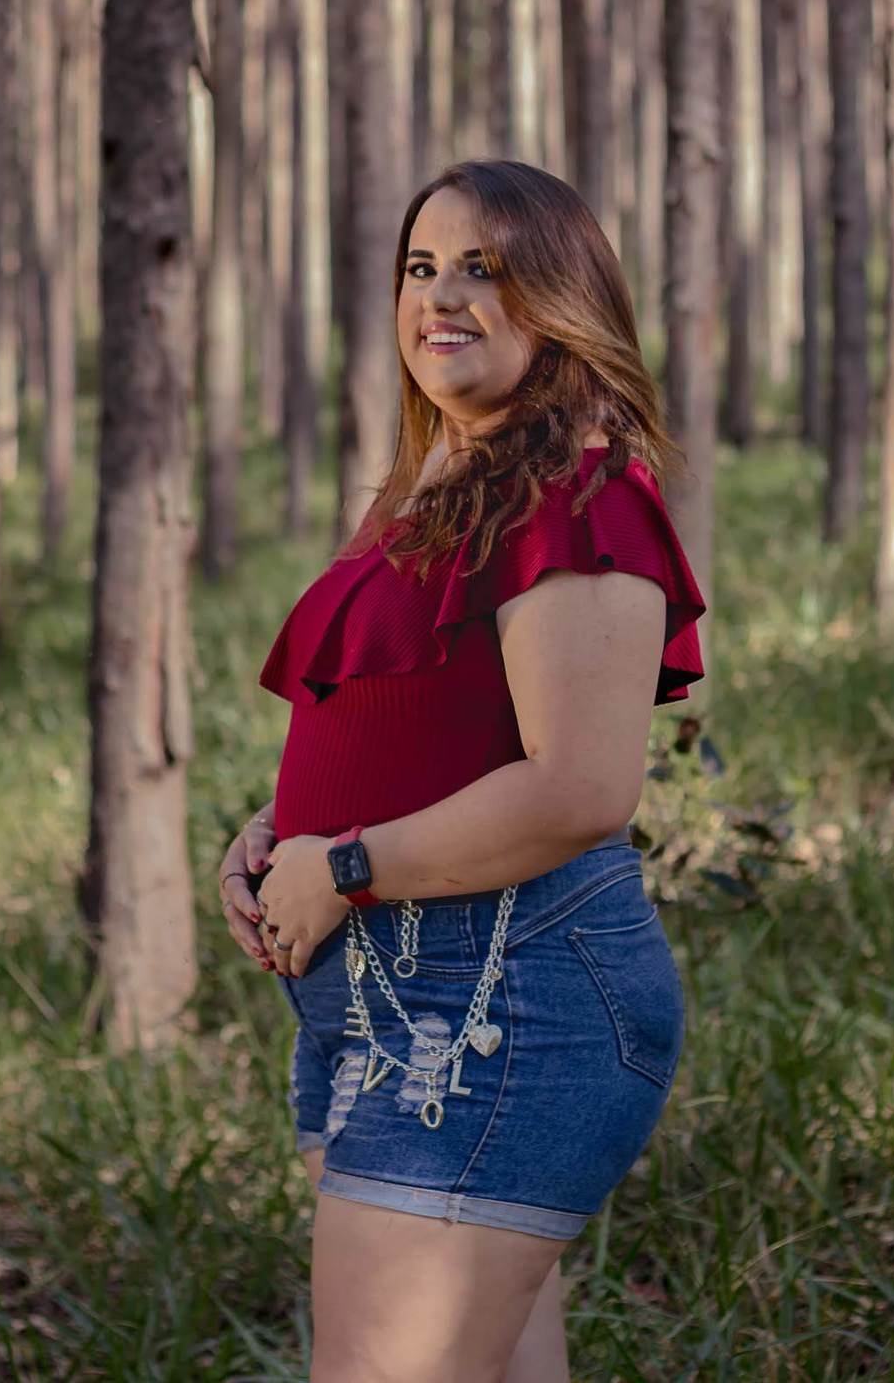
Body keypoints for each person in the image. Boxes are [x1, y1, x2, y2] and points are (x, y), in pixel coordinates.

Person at [217, 161, 707, 1383]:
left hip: (501, 1001)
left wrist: (344, 864)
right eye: (421, 268)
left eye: (484, 268)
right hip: (390, 995)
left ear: (562, 297)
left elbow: (582, 788)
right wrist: (282, 828)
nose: (442, 296)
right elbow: (425, 717)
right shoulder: (445, 483)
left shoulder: (580, 492)